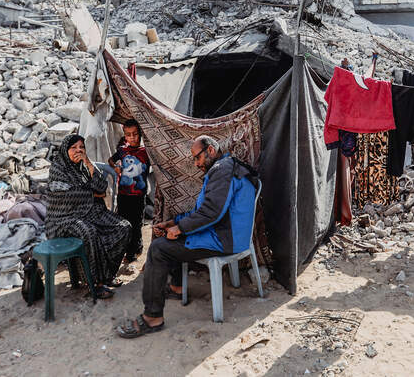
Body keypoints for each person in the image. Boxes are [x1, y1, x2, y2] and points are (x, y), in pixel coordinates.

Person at [117, 135, 257, 338]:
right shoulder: (224, 168)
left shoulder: (222, 170)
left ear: (210, 150)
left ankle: (152, 317)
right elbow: (205, 210)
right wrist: (174, 223)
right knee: (169, 237)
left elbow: (211, 213)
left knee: (158, 249)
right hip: (224, 232)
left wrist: (180, 228)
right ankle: (176, 287)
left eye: (197, 158)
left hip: (226, 239)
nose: (196, 163)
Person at [47, 134, 132, 299]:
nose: (78, 151)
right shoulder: (58, 168)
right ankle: (94, 282)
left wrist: (87, 162)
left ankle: (107, 274)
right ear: (65, 150)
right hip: (65, 218)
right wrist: (92, 195)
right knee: (89, 232)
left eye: (82, 148)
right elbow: (65, 196)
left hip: (91, 212)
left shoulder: (84, 166)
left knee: (124, 227)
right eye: (74, 148)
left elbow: (102, 186)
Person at [108, 119, 151, 262]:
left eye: (135, 134)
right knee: (123, 222)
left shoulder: (146, 152)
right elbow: (110, 160)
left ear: (140, 134)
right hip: (123, 194)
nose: (132, 138)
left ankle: (133, 253)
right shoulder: (122, 150)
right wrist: (115, 167)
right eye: (128, 135)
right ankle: (124, 250)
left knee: (137, 224)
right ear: (124, 135)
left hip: (139, 195)